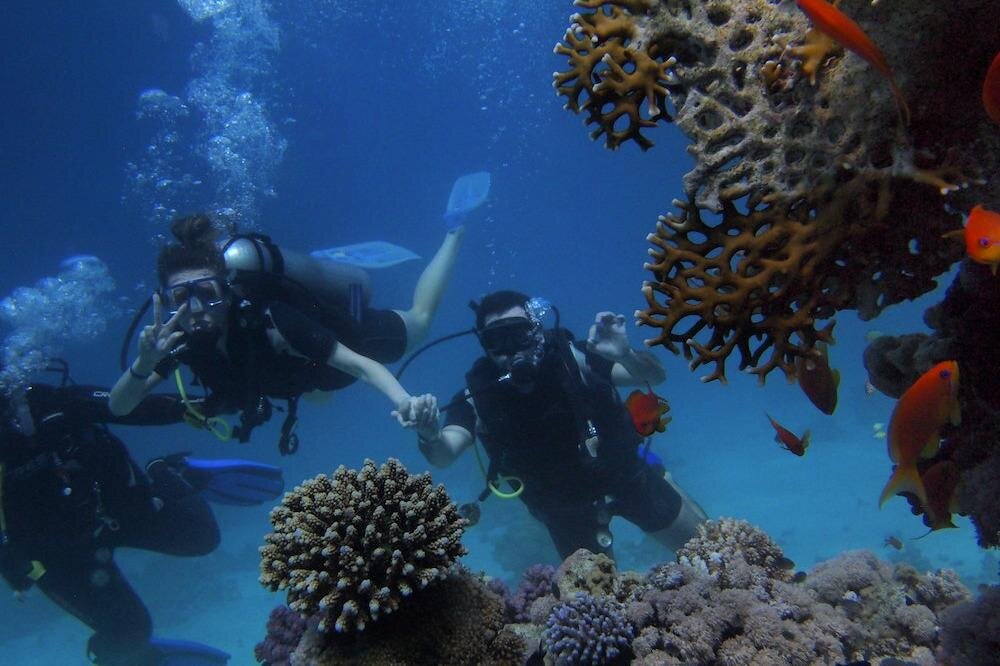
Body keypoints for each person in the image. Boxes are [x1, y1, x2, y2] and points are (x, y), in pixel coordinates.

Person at [109, 214, 451, 449]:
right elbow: (119, 407)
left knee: (420, 321)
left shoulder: (273, 319)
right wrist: (143, 364)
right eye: (181, 298)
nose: (196, 308)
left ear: (227, 291)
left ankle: (454, 230)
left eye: (207, 293)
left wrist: (404, 401)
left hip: (349, 339)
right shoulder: (175, 342)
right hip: (304, 376)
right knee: (319, 396)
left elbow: (362, 366)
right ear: (165, 302)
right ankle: (323, 268)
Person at [410, 290, 708, 560]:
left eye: (519, 333)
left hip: (627, 476)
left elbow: (654, 377)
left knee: (708, 552)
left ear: (537, 330)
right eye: (496, 340)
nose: (511, 349)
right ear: (484, 344)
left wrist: (625, 355)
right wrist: (430, 434)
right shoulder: (477, 396)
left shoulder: (575, 359)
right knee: (594, 599)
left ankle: (659, 471)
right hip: (563, 508)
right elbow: (444, 454)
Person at [0, 379, 278, 665]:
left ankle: (170, 473)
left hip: (119, 511)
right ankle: (132, 655)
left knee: (202, 537)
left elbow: (127, 406)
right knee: (129, 633)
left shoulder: (50, 404)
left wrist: (204, 406)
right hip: (60, 554)